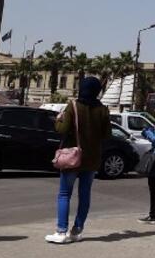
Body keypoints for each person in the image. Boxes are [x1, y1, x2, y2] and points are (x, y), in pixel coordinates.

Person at [46, 77, 111, 244]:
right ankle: (77, 230)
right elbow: (107, 135)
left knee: (64, 194)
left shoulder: (73, 106)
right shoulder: (103, 110)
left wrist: (58, 120)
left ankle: (61, 231)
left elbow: (62, 129)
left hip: (73, 157)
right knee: (85, 195)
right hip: (92, 159)